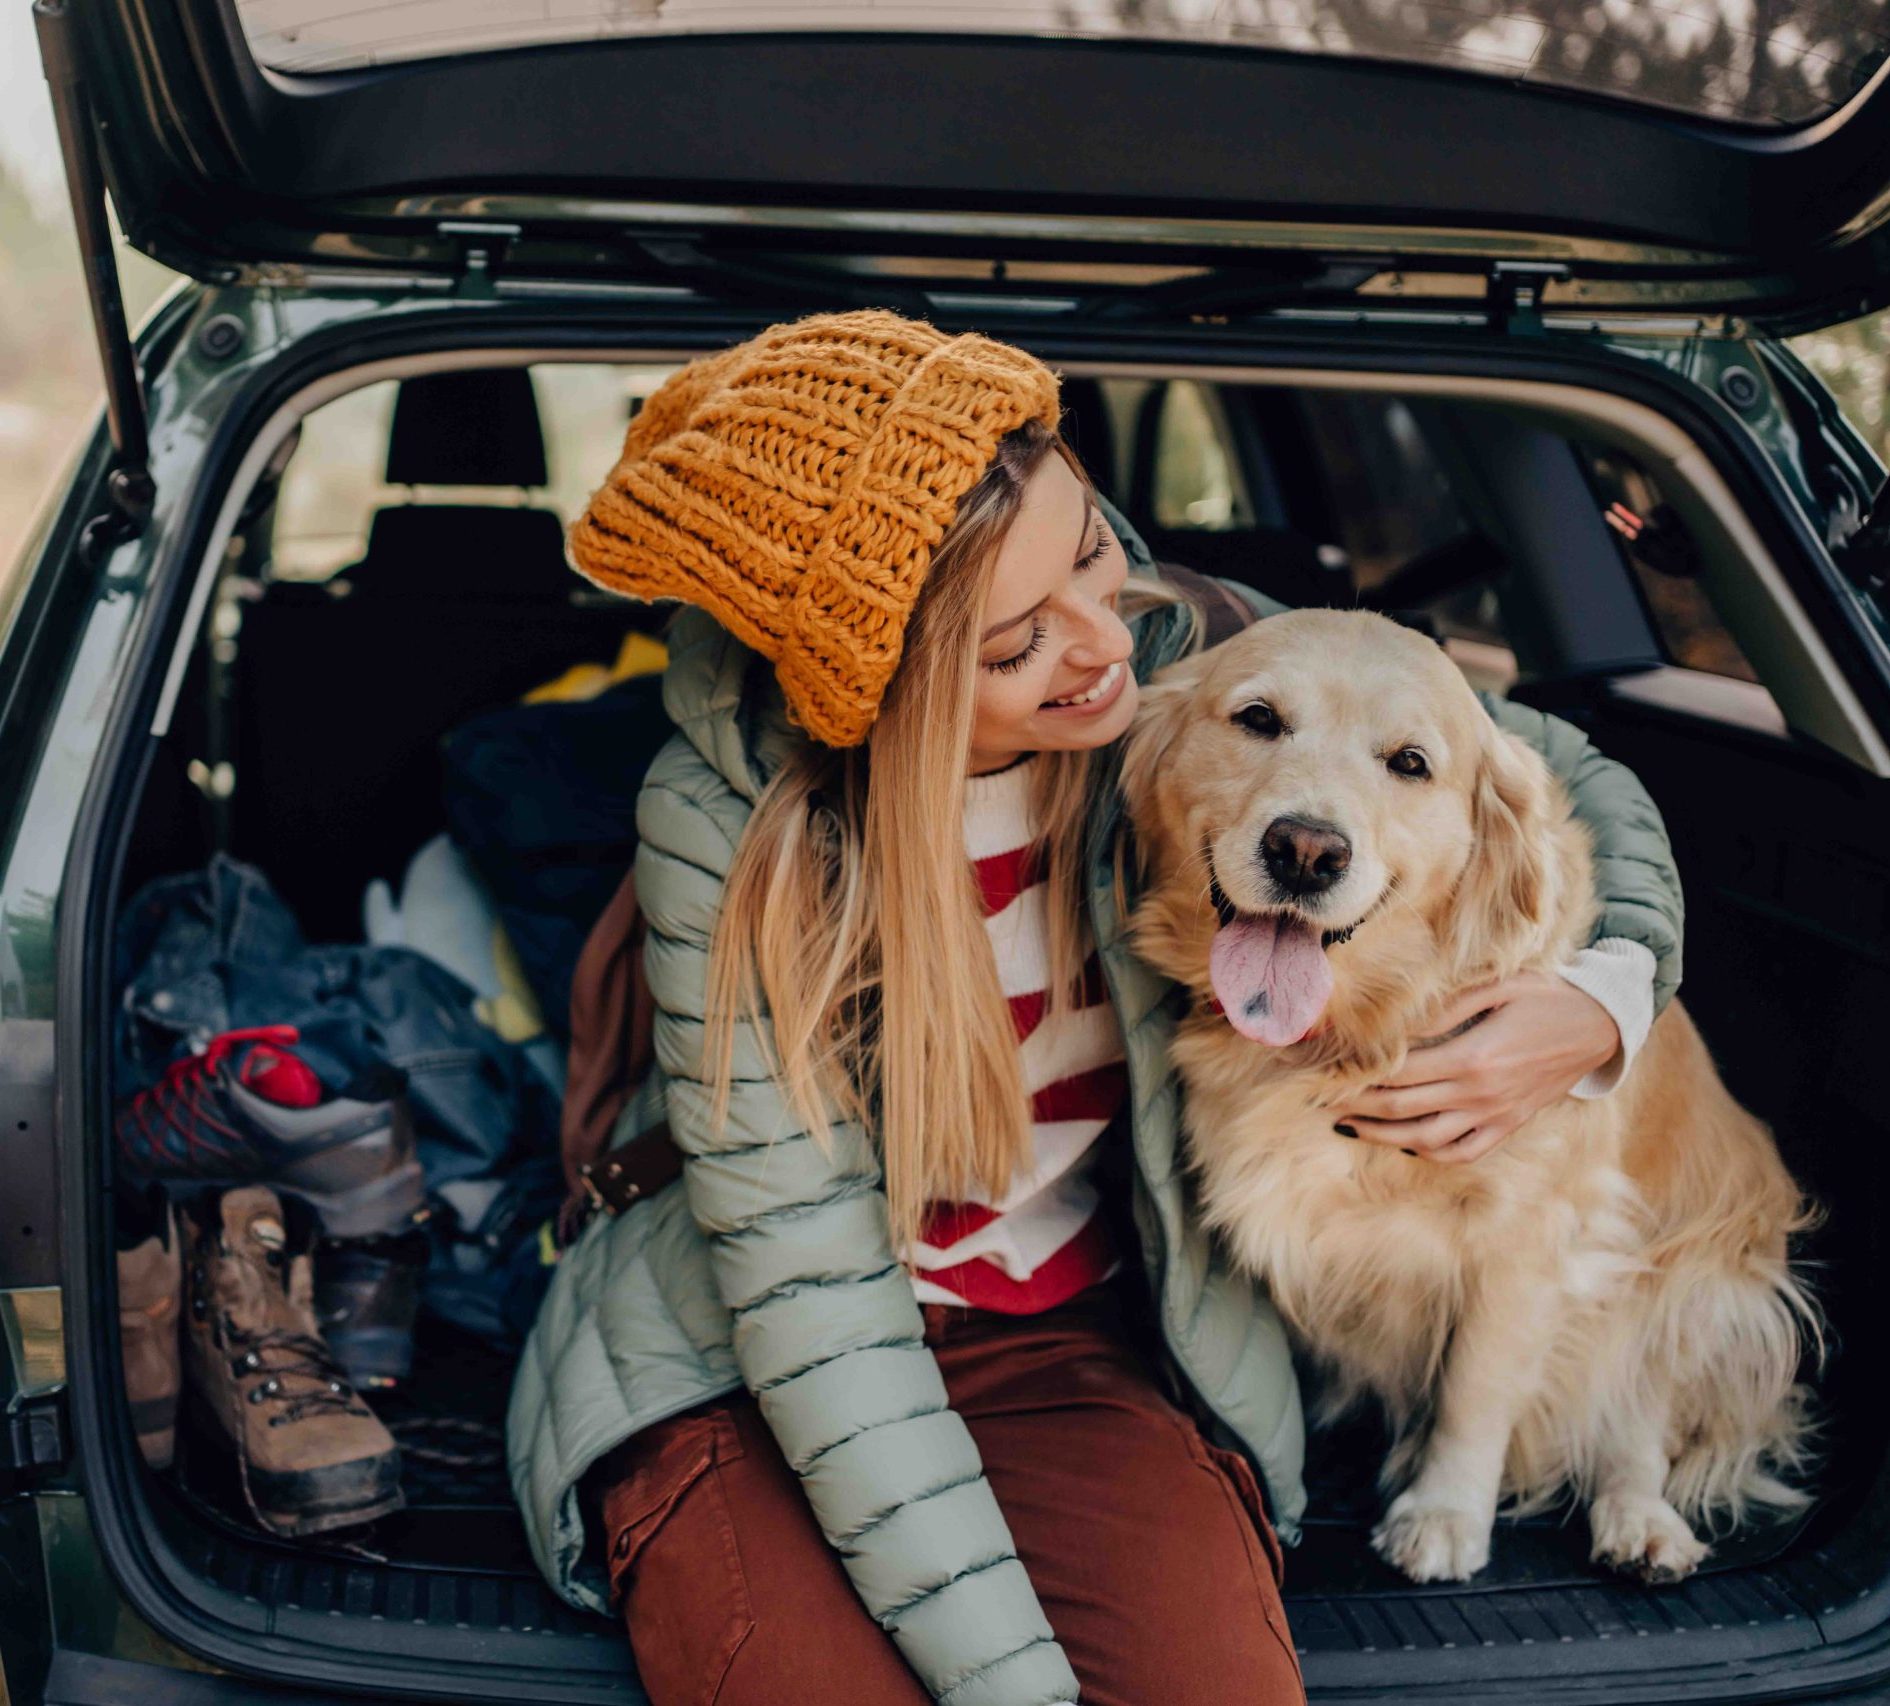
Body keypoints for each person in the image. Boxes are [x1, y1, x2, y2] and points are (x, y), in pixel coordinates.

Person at [507, 311, 1680, 1706]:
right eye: (1015, 644)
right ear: (882, 680)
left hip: (1077, 1329)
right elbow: (812, 1302)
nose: (1098, 644)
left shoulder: (1198, 669)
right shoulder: (726, 827)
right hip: (757, 1349)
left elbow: (1566, 773)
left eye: (1084, 551)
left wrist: (1600, 1004)